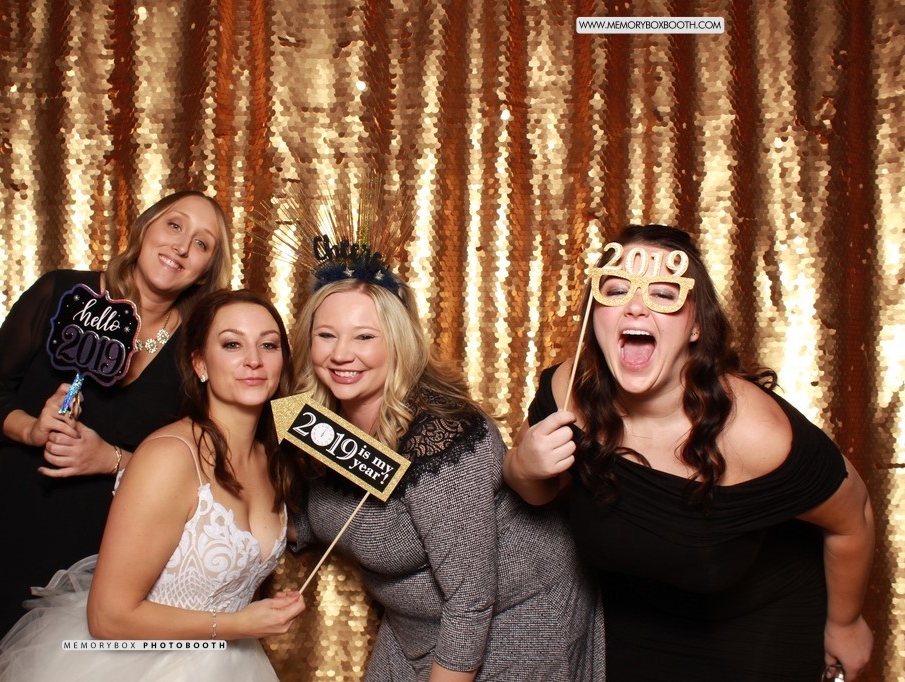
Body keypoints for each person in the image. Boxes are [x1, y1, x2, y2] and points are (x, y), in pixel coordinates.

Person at [504, 224, 875, 682]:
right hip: (633, 618)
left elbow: (853, 516)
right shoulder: (568, 390)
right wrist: (521, 467)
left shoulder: (754, 432)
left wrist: (845, 623)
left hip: (754, 628)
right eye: (616, 290)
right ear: (594, 314)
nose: (635, 306)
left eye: (664, 294)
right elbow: (536, 494)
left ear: (697, 326)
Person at [0, 191, 232, 681]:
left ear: (205, 271)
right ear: (146, 229)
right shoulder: (63, 294)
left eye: (202, 244)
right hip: (0, 526)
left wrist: (111, 459)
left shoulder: (196, 351)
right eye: (174, 226)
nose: (181, 246)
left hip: (93, 562)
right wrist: (31, 428)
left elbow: (203, 465)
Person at [290, 256, 605, 680]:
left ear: (398, 343)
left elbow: (470, 600)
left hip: (518, 618)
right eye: (326, 335)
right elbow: (334, 512)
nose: (341, 354)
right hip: (413, 628)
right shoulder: (318, 423)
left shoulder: (444, 436)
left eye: (364, 336)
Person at [0, 288, 305, 680]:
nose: (253, 360)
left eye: (268, 345)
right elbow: (107, 617)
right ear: (200, 363)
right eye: (232, 344)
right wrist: (238, 624)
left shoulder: (271, 460)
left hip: (235, 666)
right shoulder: (169, 456)